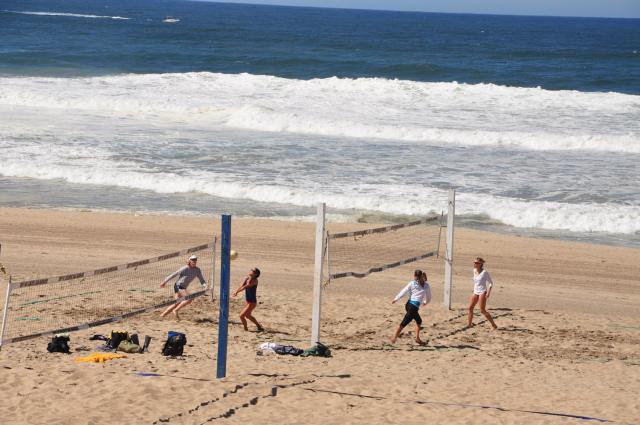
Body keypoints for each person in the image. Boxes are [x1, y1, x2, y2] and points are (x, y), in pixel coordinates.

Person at [160, 255, 207, 320]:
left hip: (183, 287)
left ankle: (162, 316)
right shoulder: (185, 268)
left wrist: (204, 286)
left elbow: (202, 280)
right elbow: (174, 274)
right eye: (193, 260)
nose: (194, 261)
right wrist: (164, 281)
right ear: (189, 261)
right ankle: (176, 310)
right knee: (189, 298)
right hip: (178, 285)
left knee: (177, 303)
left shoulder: (197, 270)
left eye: (195, 260)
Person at [391, 269, 431, 344]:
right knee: (404, 323)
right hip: (413, 307)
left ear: (414, 276)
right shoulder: (426, 285)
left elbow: (404, 291)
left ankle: (417, 338)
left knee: (419, 321)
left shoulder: (412, 283)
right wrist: (426, 302)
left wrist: (396, 298)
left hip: (408, 305)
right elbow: (429, 297)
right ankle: (394, 338)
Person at [467, 257, 498, 329]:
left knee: (482, 310)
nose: (475, 264)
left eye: (477, 263)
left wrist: (488, 293)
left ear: (481, 264)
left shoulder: (485, 273)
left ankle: (493, 324)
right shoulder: (474, 270)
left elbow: (490, 283)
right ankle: (469, 324)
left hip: (482, 292)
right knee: (470, 308)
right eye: (474, 262)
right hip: (475, 291)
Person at [233, 267, 264, 332]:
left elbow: (245, 287)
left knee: (241, 316)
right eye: (251, 269)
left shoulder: (255, 281)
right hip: (248, 301)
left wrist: (237, 292)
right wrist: (236, 291)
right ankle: (259, 326)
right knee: (248, 315)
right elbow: (242, 285)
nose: (250, 270)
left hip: (252, 302)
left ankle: (245, 329)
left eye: (252, 270)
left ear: (255, 274)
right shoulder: (247, 278)